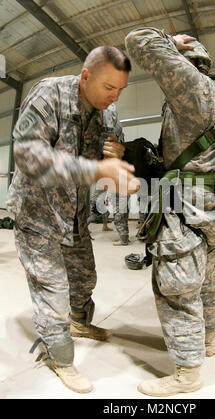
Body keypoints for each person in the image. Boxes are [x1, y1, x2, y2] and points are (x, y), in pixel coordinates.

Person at [6, 45, 140, 393]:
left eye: (120, 90)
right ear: (85, 77)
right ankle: (58, 355)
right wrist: (96, 168)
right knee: (54, 289)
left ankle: (78, 323)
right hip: (37, 214)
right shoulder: (50, 94)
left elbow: (111, 155)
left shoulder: (108, 114)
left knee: (85, 280)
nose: (114, 97)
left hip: (74, 215)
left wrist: (119, 158)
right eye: (109, 87)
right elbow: (27, 154)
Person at [125, 28, 215, 397]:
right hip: (212, 212)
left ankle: (187, 375)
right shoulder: (214, 96)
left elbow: (138, 40)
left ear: (189, 64)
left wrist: (172, 41)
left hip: (188, 210)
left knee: (176, 290)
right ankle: (205, 344)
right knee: (202, 282)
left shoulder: (192, 87)